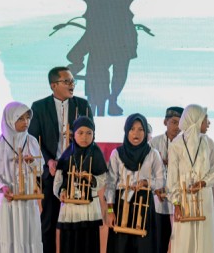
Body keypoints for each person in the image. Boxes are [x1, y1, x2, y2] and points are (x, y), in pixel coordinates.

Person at [7, 0, 207, 116]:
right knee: (105, 67)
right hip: (105, 44)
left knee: (116, 71)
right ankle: (108, 97)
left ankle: (112, 99)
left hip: (117, 44)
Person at [28, 66, 92, 253]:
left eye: (73, 81)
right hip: (51, 171)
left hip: (76, 172)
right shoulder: (39, 107)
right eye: (67, 81)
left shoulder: (82, 105)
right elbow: (33, 140)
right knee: (48, 222)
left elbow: (90, 135)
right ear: (53, 85)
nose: (72, 85)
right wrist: (48, 161)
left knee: (76, 222)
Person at [105, 113, 164, 253]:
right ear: (126, 131)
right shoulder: (117, 153)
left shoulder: (153, 154)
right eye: (132, 129)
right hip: (121, 205)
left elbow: (161, 181)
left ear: (145, 132)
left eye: (140, 129)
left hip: (144, 205)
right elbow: (111, 184)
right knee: (121, 247)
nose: (136, 133)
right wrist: (110, 211)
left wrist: (146, 182)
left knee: (144, 247)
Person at [167, 104, 214, 253]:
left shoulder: (208, 143)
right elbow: (172, 178)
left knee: (205, 237)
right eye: (205, 119)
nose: (208, 123)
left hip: (203, 195)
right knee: (184, 240)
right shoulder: (176, 145)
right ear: (196, 120)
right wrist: (176, 203)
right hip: (184, 199)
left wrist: (203, 182)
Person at [53, 116, 108, 253]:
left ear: (94, 135)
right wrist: (62, 192)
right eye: (80, 133)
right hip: (70, 207)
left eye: (89, 133)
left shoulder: (96, 153)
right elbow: (58, 181)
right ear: (73, 135)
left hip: (90, 207)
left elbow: (102, 179)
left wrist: (91, 179)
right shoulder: (67, 155)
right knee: (69, 243)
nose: (85, 137)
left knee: (88, 243)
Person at [0, 102, 43, 252]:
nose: (26, 122)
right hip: (7, 199)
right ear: (10, 119)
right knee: (9, 237)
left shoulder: (32, 141)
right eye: (21, 119)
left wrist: (32, 162)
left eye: (28, 118)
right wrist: (2, 187)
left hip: (27, 199)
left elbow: (40, 170)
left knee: (29, 236)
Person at [150, 106, 183, 253]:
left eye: (181, 123)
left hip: (180, 201)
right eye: (174, 122)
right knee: (159, 243)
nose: (178, 127)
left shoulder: (186, 144)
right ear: (165, 122)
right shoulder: (153, 144)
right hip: (158, 201)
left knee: (179, 244)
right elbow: (146, 170)